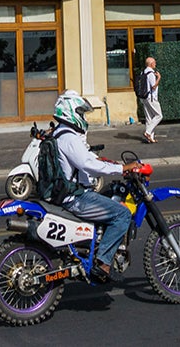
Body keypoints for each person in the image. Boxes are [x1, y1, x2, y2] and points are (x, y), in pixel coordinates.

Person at [49, 90, 132, 283]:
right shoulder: (68, 137)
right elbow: (88, 164)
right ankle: (103, 263)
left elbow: (87, 160)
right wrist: (121, 168)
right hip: (75, 197)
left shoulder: (60, 132)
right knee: (122, 214)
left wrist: (108, 163)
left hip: (66, 193)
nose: (82, 117)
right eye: (80, 112)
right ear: (70, 111)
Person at [140, 56, 162, 144]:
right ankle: (148, 132)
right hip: (151, 98)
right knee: (159, 116)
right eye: (154, 62)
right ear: (151, 64)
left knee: (149, 117)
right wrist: (159, 78)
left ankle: (150, 138)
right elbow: (153, 86)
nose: (155, 64)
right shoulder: (151, 73)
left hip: (144, 97)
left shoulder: (143, 72)